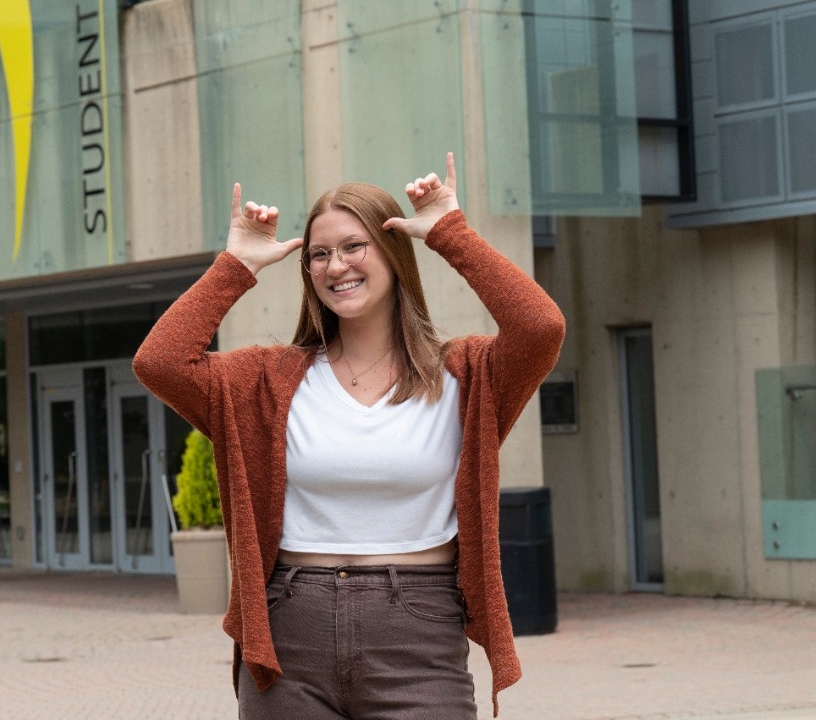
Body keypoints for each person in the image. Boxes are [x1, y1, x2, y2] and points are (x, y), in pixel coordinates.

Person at [132, 153, 565, 719]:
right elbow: (159, 362)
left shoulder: (466, 374)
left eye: (353, 246)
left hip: (418, 630)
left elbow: (541, 327)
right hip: (291, 631)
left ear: (392, 254)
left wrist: (451, 236)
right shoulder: (265, 380)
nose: (336, 265)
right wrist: (236, 265)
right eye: (319, 254)